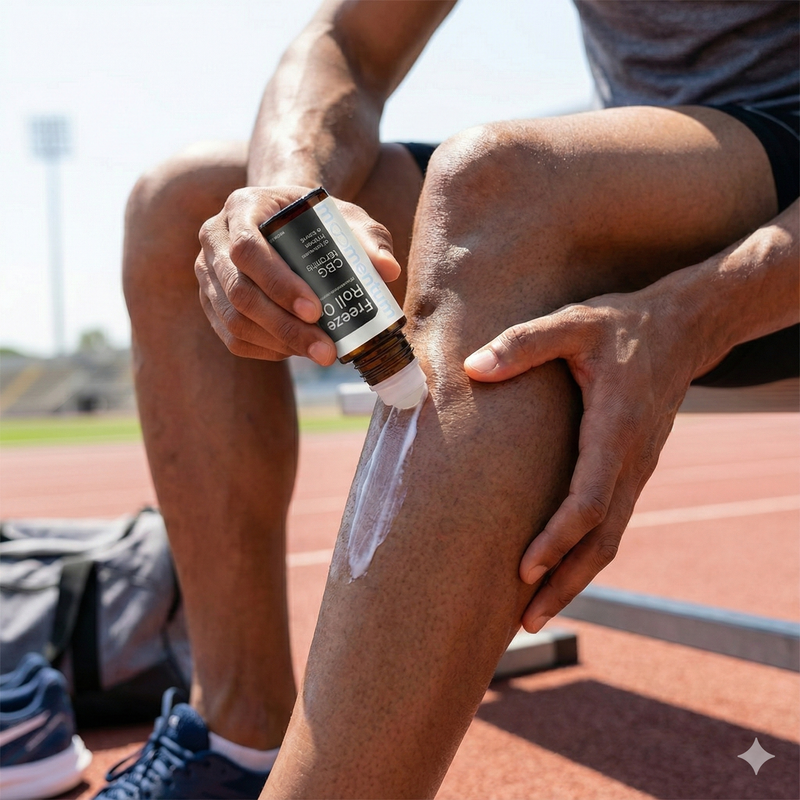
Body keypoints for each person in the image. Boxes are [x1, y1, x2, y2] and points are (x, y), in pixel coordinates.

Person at [98, 0, 799, 797]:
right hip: (670, 186)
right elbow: (347, 42)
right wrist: (286, 209)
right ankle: (235, 743)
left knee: (501, 186)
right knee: (188, 198)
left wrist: (693, 314)